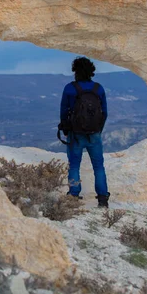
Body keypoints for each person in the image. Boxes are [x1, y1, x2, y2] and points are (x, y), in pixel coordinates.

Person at [59, 57, 110, 208]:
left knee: (74, 165)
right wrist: (98, 130)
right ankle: (102, 199)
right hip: (94, 133)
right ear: (92, 71)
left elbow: (64, 111)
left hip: (76, 134)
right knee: (98, 166)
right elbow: (104, 112)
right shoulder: (98, 88)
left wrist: (66, 130)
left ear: (75, 71)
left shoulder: (70, 88)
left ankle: (74, 195)